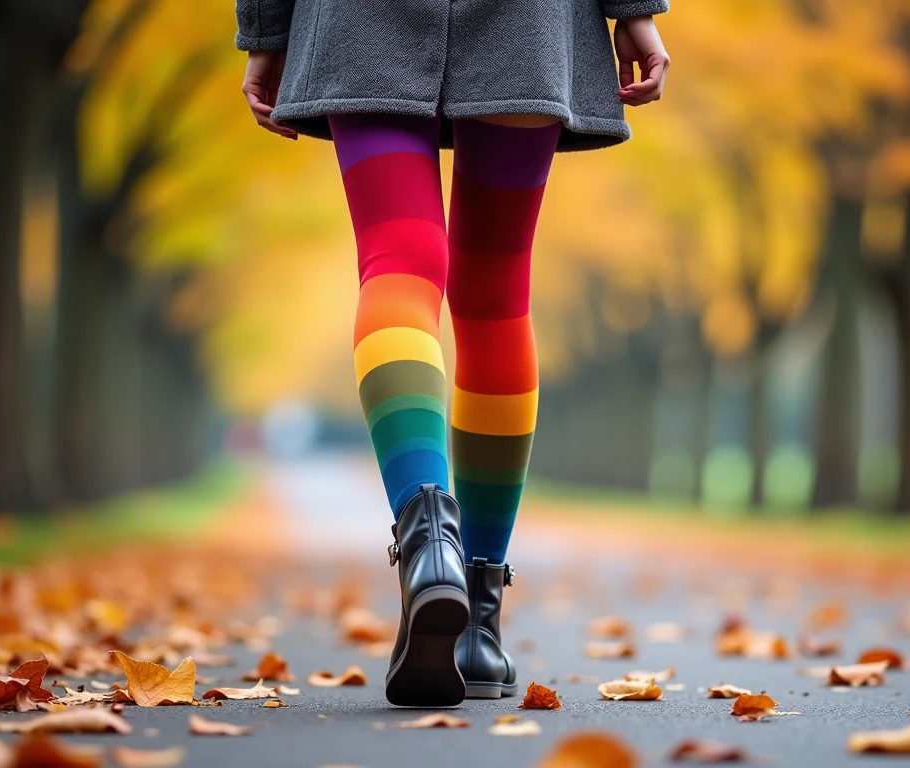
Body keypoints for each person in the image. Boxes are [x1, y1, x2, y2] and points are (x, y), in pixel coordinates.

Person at [235, 0, 671, 707]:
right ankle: (478, 622)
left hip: (361, 22)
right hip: (527, 23)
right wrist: (635, 12)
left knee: (397, 265)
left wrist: (264, 29)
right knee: (497, 295)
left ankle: (426, 546)